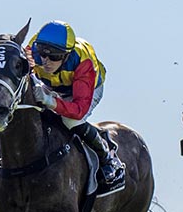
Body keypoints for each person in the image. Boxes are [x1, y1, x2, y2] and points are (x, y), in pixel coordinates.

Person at [24, 21, 125, 193]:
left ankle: (107, 158)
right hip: (52, 85)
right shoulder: (32, 50)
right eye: (42, 54)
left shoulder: (82, 62)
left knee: (69, 120)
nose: (46, 61)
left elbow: (78, 110)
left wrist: (51, 102)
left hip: (86, 87)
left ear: (66, 55)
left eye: (54, 56)